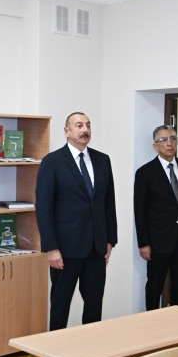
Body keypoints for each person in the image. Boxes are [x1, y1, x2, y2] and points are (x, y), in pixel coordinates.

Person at [35, 112, 118, 330]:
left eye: (88, 125)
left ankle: (90, 350)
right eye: (79, 125)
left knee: (94, 305)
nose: (85, 130)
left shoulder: (103, 160)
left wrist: (110, 240)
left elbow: (108, 203)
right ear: (67, 131)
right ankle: (55, 349)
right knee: (60, 306)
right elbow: (44, 208)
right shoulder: (52, 162)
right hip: (65, 250)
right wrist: (51, 247)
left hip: (96, 248)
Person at [133, 125, 178, 310]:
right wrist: (143, 243)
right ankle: (152, 324)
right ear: (155, 146)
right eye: (163, 140)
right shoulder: (145, 173)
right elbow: (140, 211)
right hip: (158, 241)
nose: (169, 143)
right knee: (154, 286)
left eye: (173, 138)